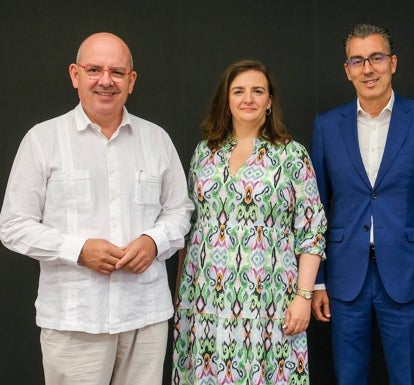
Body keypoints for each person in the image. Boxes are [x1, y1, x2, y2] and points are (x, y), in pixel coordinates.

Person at [0, 32, 193, 384]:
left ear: (131, 81)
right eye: (94, 70)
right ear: (75, 75)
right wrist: (78, 250)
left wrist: (153, 241)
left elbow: (180, 210)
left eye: (117, 72)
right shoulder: (42, 140)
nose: (106, 80)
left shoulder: (157, 140)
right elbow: (13, 225)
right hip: (76, 320)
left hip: (145, 316)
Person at [310, 23, 414, 385]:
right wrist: (317, 282)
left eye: (376, 58)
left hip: (408, 273)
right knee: (349, 378)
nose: (368, 68)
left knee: (407, 377)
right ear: (347, 70)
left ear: (392, 63)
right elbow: (315, 210)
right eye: (357, 60)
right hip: (345, 278)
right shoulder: (327, 126)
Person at [171, 59, 327, 385]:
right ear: (226, 100)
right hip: (205, 295)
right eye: (239, 91)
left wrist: (303, 296)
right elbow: (190, 226)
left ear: (270, 101)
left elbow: (312, 229)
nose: (248, 99)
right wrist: (179, 292)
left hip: (268, 294)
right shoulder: (204, 153)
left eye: (258, 91)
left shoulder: (291, 155)